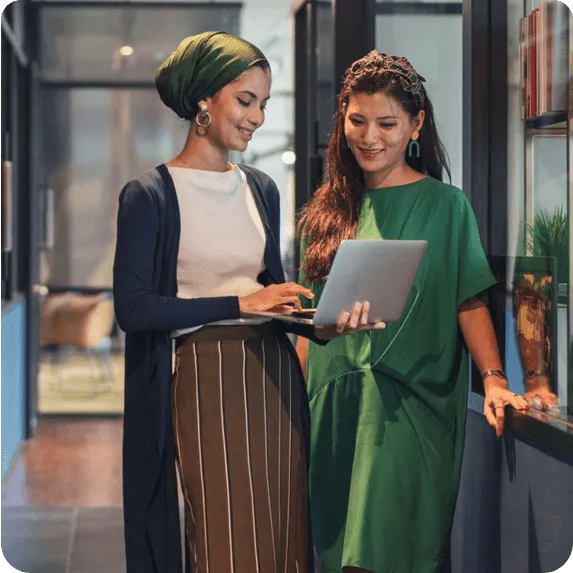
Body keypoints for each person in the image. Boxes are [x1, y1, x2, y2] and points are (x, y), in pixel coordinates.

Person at [112, 32, 384, 573]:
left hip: (275, 378)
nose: (257, 116)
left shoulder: (261, 187)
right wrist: (240, 300)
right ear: (202, 102)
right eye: (245, 100)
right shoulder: (149, 195)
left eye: (263, 102)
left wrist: (318, 327)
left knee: (284, 532)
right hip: (202, 378)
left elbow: (271, 298)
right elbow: (134, 309)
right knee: (226, 537)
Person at [295, 50, 532, 573]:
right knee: (338, 555)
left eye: (386, 123)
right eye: (357, 121)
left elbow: (467, 299)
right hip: (334, 404)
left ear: (415, 124)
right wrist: (297, 398)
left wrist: (493, 377)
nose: (369, 137)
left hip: (411, 406)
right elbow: (307, 324)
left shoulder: (448, 206)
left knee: (388, 550)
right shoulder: (325, 212)